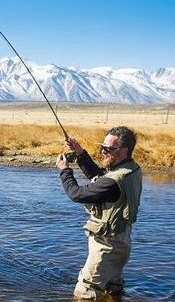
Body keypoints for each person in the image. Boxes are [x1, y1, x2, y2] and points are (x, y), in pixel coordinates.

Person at [56, 126, 143, 300]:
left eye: (109, 149)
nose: (103, 151)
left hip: (106, 247)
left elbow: (76, 194)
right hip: (122, 241)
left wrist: (65, 170)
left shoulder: (114, 181)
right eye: (102, 147)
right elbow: (99, 177)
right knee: (113, 291)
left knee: (84, 294)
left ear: (124, 151)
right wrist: (80, 153)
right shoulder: (132, 169)